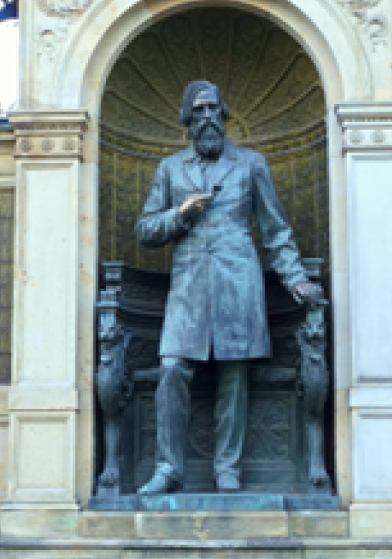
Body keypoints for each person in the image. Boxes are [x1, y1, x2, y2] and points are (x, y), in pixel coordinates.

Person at [133, 80, 322, 494]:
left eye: (213, 109)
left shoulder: (251, 164)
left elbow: (275, 231)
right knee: (172, 368)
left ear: (224, 114)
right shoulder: (170, 168)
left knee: (234, 373)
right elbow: (145, 230)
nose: (207, 117)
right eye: (199, 110)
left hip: (238, 279)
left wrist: (295, 279)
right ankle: (168, 468)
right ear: (187, 119)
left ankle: (227, 469)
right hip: (188, 285)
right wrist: (180, 214)